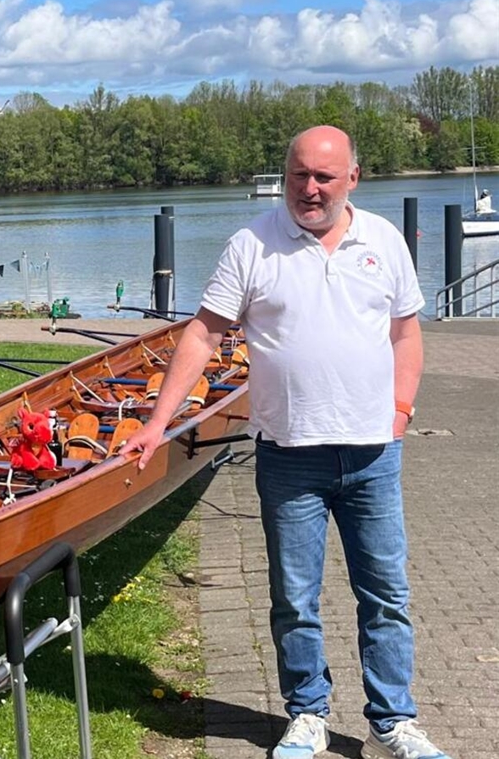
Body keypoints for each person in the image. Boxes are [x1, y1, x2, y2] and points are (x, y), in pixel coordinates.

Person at [120, 126, 449, 759]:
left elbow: (406, 334)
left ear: (353, 178)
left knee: (386, 595)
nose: (310, 188)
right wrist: (159, 421)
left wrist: (401, 410)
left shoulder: (383, 240)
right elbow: (202, 334)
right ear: (285, 176)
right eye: (300, 174)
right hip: (288, 454)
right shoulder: (252, 244)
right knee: (294, 599)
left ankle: (392, 723)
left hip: (373, 454)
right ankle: (307, 714)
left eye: (325, 176)